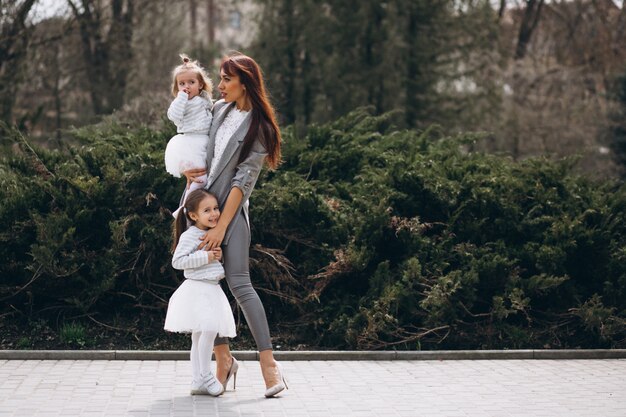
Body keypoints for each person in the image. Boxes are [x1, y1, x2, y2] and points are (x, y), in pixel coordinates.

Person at [181, 52, 287, 397]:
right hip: (201, 210)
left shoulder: (261, 127)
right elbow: (197, 143)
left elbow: (244, 182)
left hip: (230, 215)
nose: (220, 85)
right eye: (221, 78)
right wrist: (186, 168)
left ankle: (270, 366)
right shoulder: (219, 111)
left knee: (241, 285)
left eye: (227, 79)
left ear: (245, 82)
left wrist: (221, 227)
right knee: (203, 283)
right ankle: (223, 359)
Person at [164, 189, 236, 396]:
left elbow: (211, 263)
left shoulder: (210, 234)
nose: (214, 213)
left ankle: (197, 380)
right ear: (194, 216)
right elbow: (178, 262)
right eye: (207, 210)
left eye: (216, 208)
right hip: (197, 290)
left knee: (199, 336)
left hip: (212, 289)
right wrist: (207, 257)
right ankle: (205, 375)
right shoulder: (190, 235)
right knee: (209, 329)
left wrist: (218, 257)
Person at [164, 55, 214, 218]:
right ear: (177, 87)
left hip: (203, 141)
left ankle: (191, 206)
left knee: (202, 179)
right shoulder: (181, 102)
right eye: (182, 83)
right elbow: (173, 116)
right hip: (190, 142)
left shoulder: (204, 99)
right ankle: (185, 208)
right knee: (200, 179)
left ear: (200, 85)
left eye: (191, 82)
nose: (187, 87)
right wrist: (181, 98)